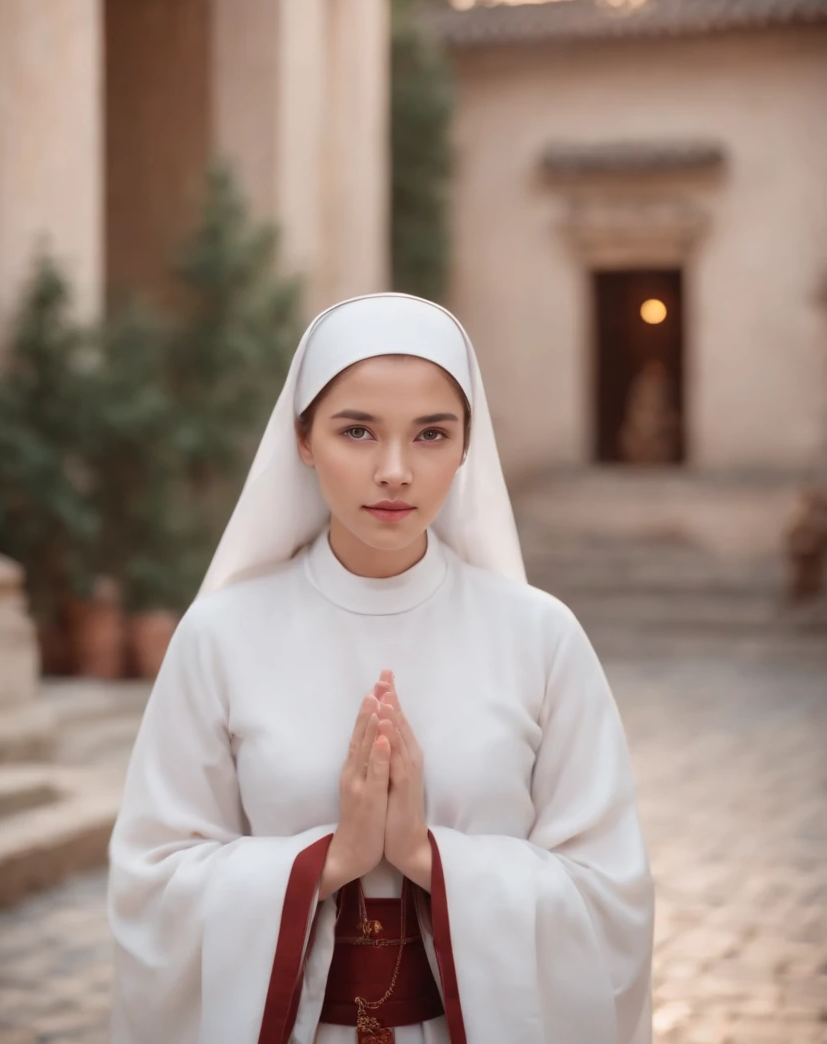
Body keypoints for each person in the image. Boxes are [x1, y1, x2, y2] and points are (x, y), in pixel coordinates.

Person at [109, 293, 654, 1044]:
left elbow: (609, 897)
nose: (395, 471)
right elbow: (152, 884)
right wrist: (329, 861)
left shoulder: (540, 637)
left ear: (467, 446)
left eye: (432, 433)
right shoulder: (220, 636)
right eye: (357, 430)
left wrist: (427, 857)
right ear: (302, 438)